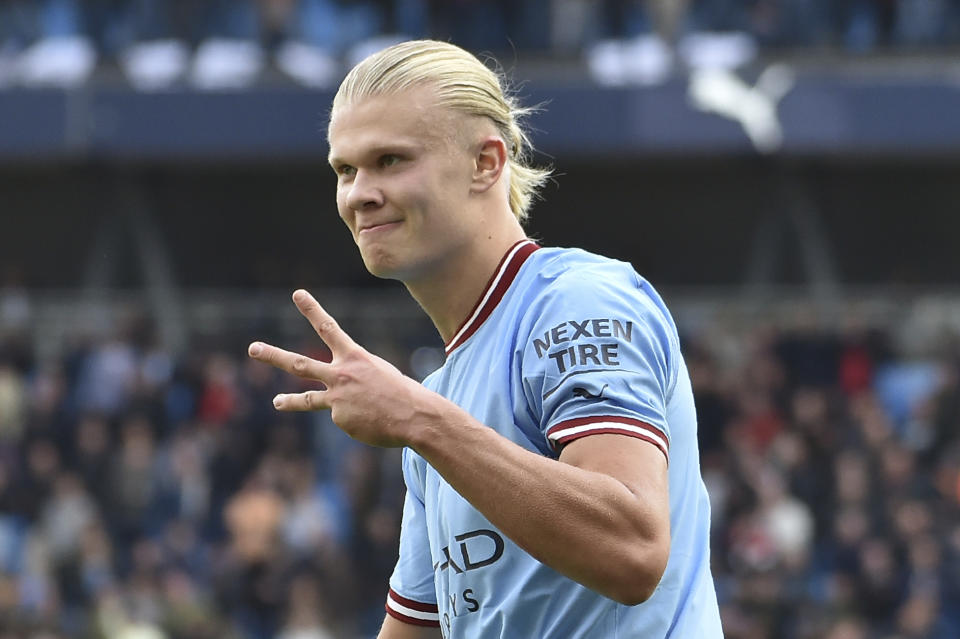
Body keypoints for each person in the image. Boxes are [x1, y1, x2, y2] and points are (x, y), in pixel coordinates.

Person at [248, 39, 722, 638]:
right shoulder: (438, 398)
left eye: (391, 160)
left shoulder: (578, 300)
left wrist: (418, 419)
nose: (358, 193)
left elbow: (632, 551)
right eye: (345, 169)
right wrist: (423, 418)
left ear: (487, 163)